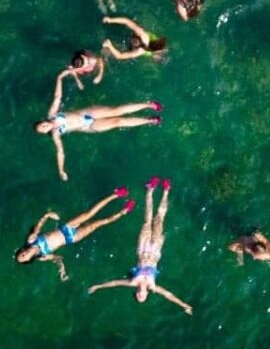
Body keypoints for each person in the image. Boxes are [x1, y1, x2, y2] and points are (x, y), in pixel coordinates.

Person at [88, 177, 193, 312]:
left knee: (147, 221)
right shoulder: (152, 286)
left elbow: (114, 283)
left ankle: (150, 190)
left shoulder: (133, 282)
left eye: (138, 295)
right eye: (142, 296)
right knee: (160, 219)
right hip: (155, 250)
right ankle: (166, 190)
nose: (140, 294)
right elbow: (168, 294)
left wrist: (98, 286)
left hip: (142, 248)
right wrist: (183, 305)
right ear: (146, 294)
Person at [36, 75, 160, 181]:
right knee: (117, 122)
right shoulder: (56, 134)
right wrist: (61, 170)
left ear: (43, 121)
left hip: (86, 113)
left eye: (42, 125)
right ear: (46, 132)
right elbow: (60, 152)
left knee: (116, 110)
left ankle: (149, 105)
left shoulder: (52, 114)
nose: (45, 127)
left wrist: (60, 78)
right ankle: (149, 120)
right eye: (43, 130)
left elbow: (57, 97)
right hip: (88, 126)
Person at [16, 188, 134, 279]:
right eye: (23, 259)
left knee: (89, 213)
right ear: (28, 260)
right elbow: (58, 258)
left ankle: (116, 194)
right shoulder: (42, 256)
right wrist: (62, 269)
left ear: (22, 251)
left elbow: (38, 226)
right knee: (99, 223)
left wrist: (47, 215)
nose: (23, 256)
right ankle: (124, 211)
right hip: (71, 238)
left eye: (21, 255)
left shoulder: (31, 240)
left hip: (65, 228)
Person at [102, 15, 170, 66]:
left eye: (134, 43)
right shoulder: (143, 35)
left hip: (147, 47)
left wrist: (109, 45)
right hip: (145, 37)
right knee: (137, 27)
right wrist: (110, 20)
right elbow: (127, 21)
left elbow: (120, 56)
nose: (133, 42)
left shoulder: (139, 51)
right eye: (134, 41)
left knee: (108, 53)